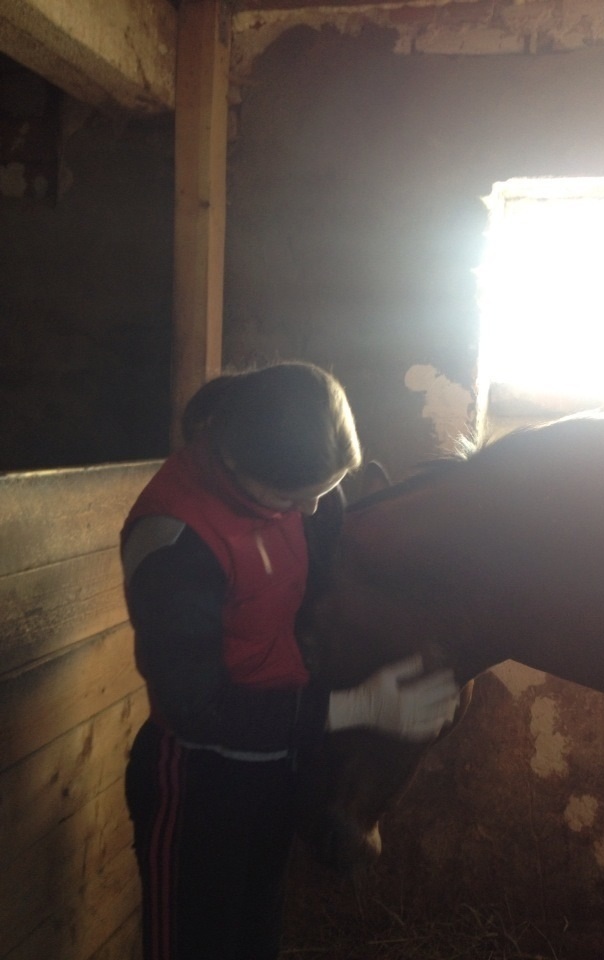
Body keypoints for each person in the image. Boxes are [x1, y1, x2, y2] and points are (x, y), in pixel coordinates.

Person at [121, 361, 459, 960]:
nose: (310, 510)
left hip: (276, 763)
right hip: (200, 778)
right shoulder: (176, 540)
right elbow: (197, 708)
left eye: (324, 489)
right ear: (234, 461)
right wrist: (358, 707)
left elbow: (323, 575)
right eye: (288, 497)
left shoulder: (306, 491)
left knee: (256, 936)